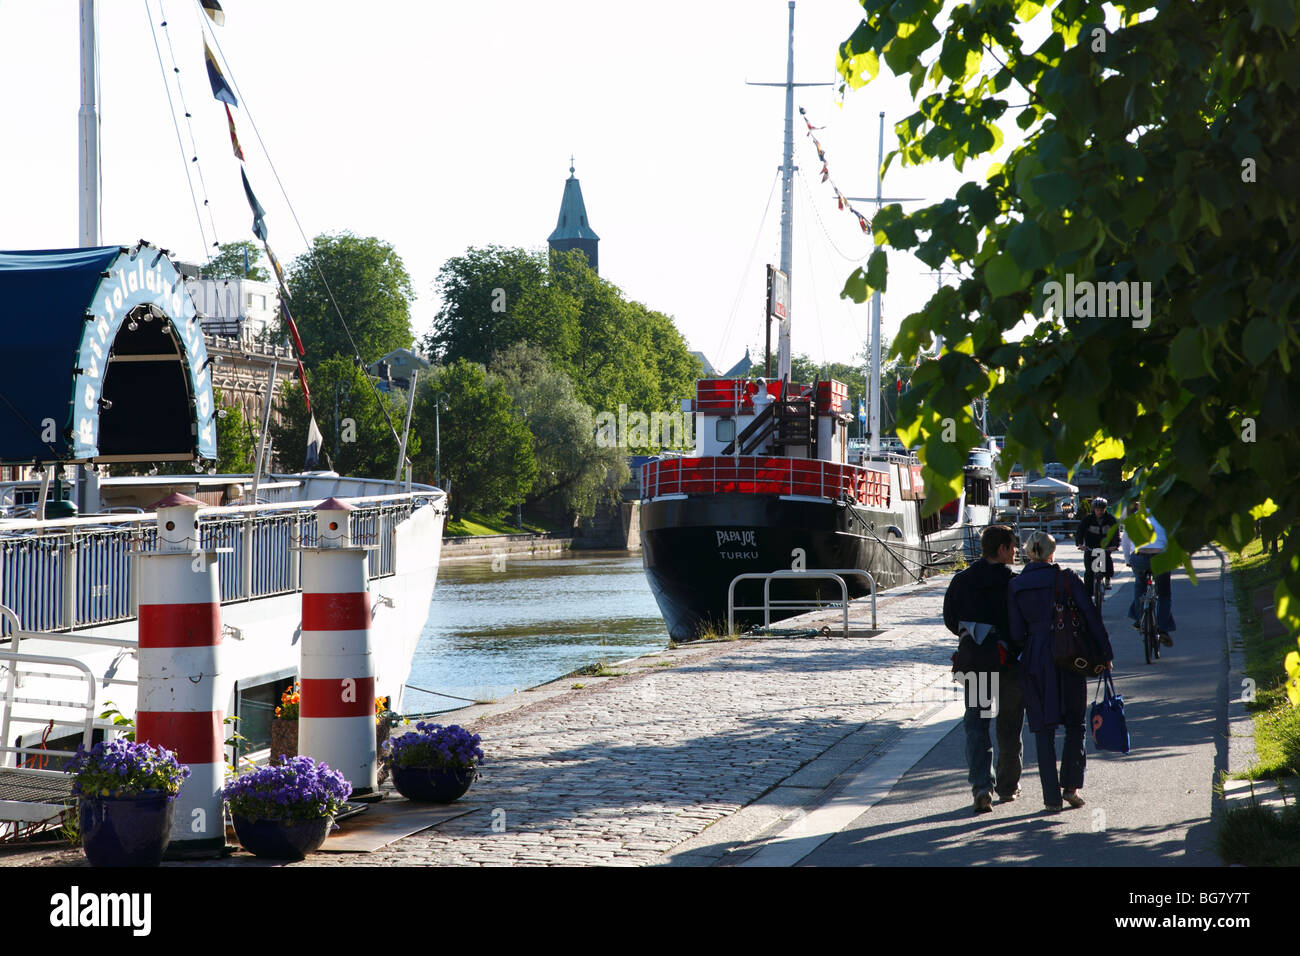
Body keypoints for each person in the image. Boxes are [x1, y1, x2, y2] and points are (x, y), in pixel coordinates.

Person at [1008, 531, 1114, 812]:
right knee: (1075, 722)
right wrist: (1105, 653)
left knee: (1043, 729)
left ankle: (1051, 798)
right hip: (1069, 654)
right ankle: (1071, 786)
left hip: (1035, 657)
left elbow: (1016, 632)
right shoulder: (1067, 578)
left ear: (1028, 553)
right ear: (1052, 553)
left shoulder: (1017, 585)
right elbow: (1091, 616)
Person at [942, 525, 1026, 814]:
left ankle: (981, 787)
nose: (1016, 551)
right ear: (1001, 549)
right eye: (1013, 546)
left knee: (977, 725)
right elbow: (1023, 624)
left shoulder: (962, 580)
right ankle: (1007, 786)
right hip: (1008, 662)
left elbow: (951, 620)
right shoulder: (1014, 583)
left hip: (976, 662)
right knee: (1009, 726)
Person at [1122, 512, 1176, 646]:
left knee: (1139, 588)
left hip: (1140, 557)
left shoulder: (1135, 517)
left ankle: (1140, 619)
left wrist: (1128, 560)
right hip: (1160, 557)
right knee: (1164, 593)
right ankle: (1162, 628)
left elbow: (1125, 540)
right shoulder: (1166, 517)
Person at [1075, 496, 1118, 597]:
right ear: (1093, 509)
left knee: (1107, 560)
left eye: (1102, 510)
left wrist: (1115, 545)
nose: (1099, 512)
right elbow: (1080, 532)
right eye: (1097, 510)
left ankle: (1108, 578)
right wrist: (1080, 544)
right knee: (1089, 571)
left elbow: (1116, 533)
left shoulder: (1110, 519)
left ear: (1105, 509)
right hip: (1090, 547)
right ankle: (1088, 595)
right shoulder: (1087, 519)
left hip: (1105, 546)